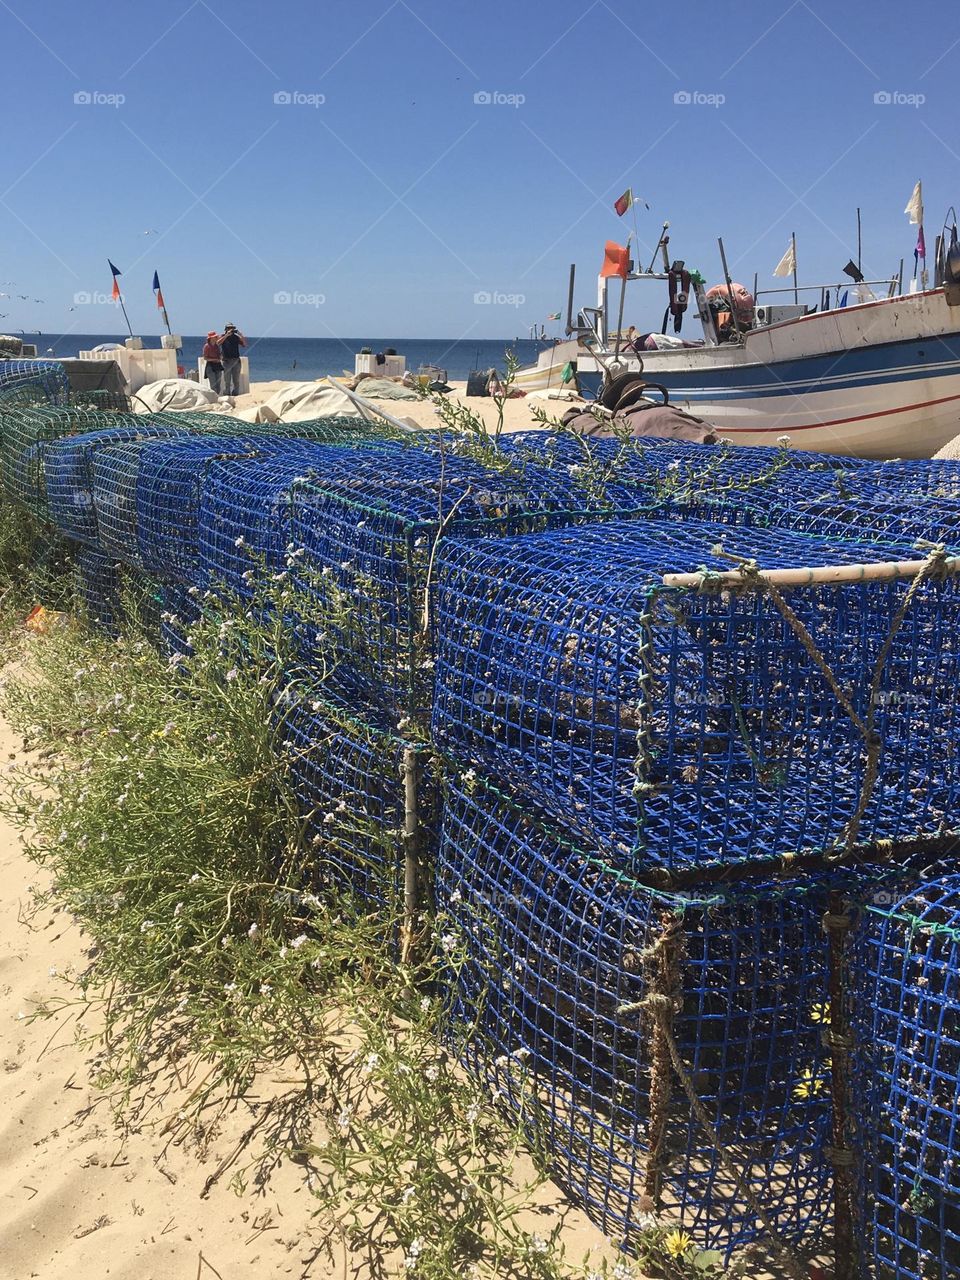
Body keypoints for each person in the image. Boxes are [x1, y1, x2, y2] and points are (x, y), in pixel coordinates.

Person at [217, 323, 246, 396]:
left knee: (236, 379)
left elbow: (244, 344)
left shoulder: (236, 337)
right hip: (226, 361)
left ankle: (235, 393)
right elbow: (217, 343)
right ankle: (227, 393)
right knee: (227, 380)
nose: (231, 329)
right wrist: (226, 335)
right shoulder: (223, 336)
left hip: (236, 360)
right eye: (229, 328)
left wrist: (241, 335)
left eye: (232, 328)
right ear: (226, 329)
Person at [202, 330, 222, 395]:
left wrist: (220, 358)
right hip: (210, 366)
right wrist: (214, 359)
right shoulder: (206, 346)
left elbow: (219, 355)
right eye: (215, 337)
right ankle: (214, 397)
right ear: (211, 338)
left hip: (218, 365)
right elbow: (205, 358)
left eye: (216, 337)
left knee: (218, 383)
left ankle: (217, 396)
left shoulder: (217, 346)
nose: (216, 338)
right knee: (213, 384)